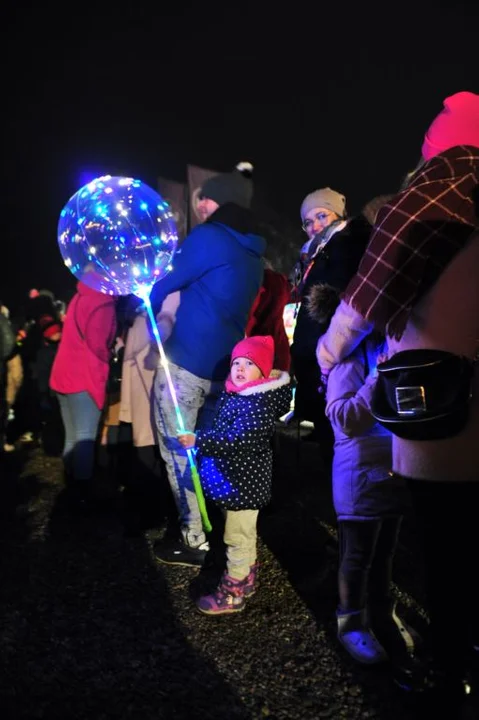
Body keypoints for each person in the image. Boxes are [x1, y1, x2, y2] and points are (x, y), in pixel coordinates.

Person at [316, 91, 479, 712]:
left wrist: (330, 353)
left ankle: (445, 670)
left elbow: (371, 290)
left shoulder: (434, 191)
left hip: (440, 407)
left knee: (444, 548)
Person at [150, 163, 266, 567]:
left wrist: (142, 289)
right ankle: (217, 527)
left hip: (185, 364)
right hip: (223, 369)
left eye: (207, 199)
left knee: (177, 451)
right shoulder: (253, 251)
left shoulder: (211, 238)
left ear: (223, 203)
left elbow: (163, 280)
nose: (200, 206)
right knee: (211, 452)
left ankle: (192, 537)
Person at [309, 284, 417, 665]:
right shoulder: (347, 362)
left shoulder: (389, 348)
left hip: (394, 466)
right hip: (359, 473)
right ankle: (350, 622)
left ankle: (383, 612)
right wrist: (379, 378)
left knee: (385, 552)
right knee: (356, 556)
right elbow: (344, 418)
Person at [177, 335, 292, 614]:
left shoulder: (257, 404)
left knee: (236, 538)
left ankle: (233, 591)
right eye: (236, 362)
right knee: (244, 534)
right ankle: (247, 578)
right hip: (237, 483)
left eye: (249, 363)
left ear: (263, 372)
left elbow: (239, 441)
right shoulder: (240, 395)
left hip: (243, 486)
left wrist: (200, 440)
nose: (240, 368)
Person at [50, 280, 117, 509]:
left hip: (63, 375)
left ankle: (70, 486)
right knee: (85, 437)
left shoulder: (80, 296)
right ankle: (81, 495)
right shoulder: (103, 304)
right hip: (83, 378)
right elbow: (97, 348)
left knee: (72, 436)